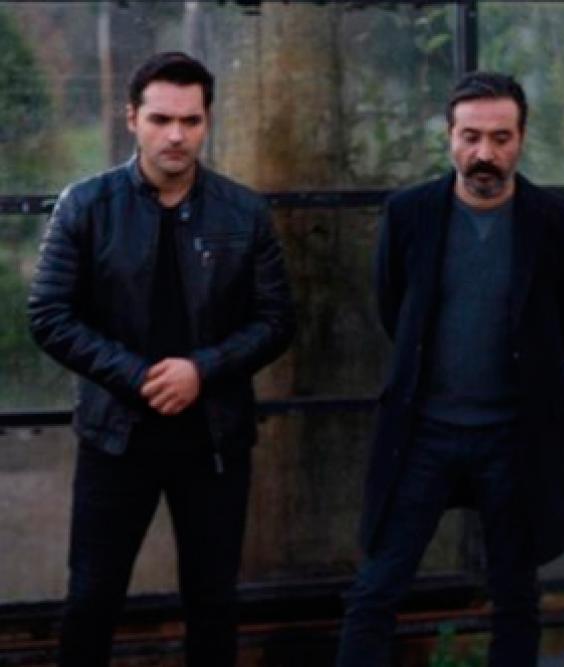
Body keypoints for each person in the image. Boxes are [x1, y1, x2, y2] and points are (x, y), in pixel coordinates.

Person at [27, 51, 295, 667]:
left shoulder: (243, 212)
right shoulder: (86, 205)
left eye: (191, 120)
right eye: (161, 119)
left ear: (207, 121)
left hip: (214, 438)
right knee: (91, 598)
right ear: (132, 118)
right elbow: (49, 315)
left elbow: (276, 320)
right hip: (116, 436)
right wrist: (138, 376)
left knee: (213, 601)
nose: (176, 135)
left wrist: (201, 370)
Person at [336, 71, 564, 667]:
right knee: (376, 588)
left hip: (514, 437)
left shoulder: (557, 223)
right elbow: (396, 312)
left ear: (521, 138)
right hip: (423, 433)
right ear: (449, 136)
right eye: (471, 136)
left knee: (515, 596)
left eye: (500, 138)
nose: (485, 153)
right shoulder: (410, 214)